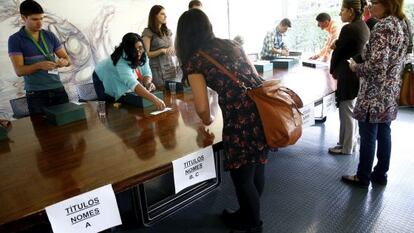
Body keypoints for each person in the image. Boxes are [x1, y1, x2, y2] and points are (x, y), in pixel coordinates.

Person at [176, 9, 273, 233]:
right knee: (257, 167)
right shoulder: (231, 44)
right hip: (262, 110)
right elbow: (255, 77)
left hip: (240, 119)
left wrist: (207, 120)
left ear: (183, 36)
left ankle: (253, 226)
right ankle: (246, 214)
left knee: (242, 178)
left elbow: (201, 107)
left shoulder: (195, 60)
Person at [343, 0, 409, 187]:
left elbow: (377, 66)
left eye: (375, 2)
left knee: (368, 135)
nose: (370, 6)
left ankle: (362, 176)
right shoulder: (402, 23)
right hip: (390, 90)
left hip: (374, 93)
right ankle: (380, 174)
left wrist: (356, 67)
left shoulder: (383, 27)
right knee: (384, 132)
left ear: (389, 4)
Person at [8, 0, 71, 115]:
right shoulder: (15, 40)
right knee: (43, 131)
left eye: (41, 18)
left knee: (67, 126)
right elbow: (19, 71)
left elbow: (68, 60)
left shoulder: (50, 35)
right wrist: (39, 65)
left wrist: (63, 62)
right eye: (35, 19)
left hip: (58, 89)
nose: (40, 23)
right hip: (36, 94)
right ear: (23, 18)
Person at [328, 0, 370, 155]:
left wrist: (332, 68)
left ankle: (346, 147)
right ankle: (347, 144)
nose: (340, 13)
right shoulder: (363, 26)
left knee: (346, 113)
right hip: (357, 75)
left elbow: (339, 53)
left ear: (351, 11)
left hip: (347, 74)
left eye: (342, 10)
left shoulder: (349, 28)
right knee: (350, 111)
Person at [92, 33, 165, 110]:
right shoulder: (121, 61)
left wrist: (147, 83)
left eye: (140, 48)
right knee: (108, 106)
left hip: (117, 75)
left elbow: (146, 72)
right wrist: (155, 100)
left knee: (124, 103)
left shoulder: (142, 53)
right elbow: (133, 84)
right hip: (101, 76)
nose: (138, 52)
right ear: (128, 50)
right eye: (134, 49)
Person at [142, 5, 181, 88]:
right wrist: (161, 51)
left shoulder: (168, 31)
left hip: (171, 67)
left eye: (165, 14)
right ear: (155, 16)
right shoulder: (148, 32)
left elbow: (173, 48)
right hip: (157, 70)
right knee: (162, 93)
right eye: (162, 14)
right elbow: (146, 54)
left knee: (174, 92)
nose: (165, 16)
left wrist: (173, 48)